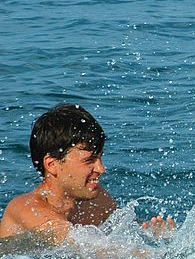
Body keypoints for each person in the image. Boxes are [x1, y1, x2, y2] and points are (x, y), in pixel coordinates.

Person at [0, 103, 175, 246]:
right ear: (52, 164)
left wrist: (155, 234)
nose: (101, 168)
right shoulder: (26, 209)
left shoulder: (96, 202)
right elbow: (84, 248)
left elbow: (128, 231)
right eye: (89, 160)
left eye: (100, 158)